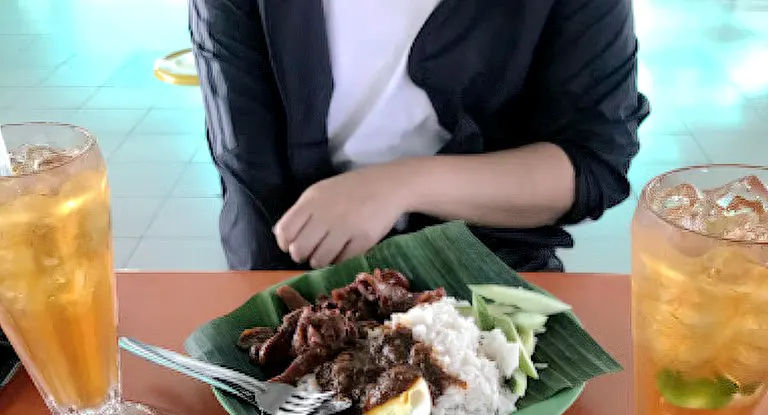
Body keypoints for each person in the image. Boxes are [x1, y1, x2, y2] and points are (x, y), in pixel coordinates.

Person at [189, 0, 648, 272]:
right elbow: (251, 183)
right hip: (309, 267)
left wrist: (401, 185)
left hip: (494, 272)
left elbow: (593, 164)